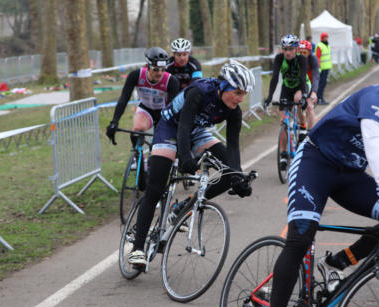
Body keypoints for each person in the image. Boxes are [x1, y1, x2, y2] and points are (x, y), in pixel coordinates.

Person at [267, 57, 379, 307]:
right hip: (315, 162)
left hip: (350, 174)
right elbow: (374, 141)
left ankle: (337, 263)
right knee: (301, 235)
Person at [127, 60, 255, 266]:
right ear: (223, 87)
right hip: (171, 126)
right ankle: (138, 248)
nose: (241, 98)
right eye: (237, 92)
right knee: (156, 186)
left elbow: (233, 147)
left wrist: (238, 176)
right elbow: (183, 126)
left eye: (244, 94)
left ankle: (182, 208)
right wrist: (185, 157)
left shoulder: (234, 111)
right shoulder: (199, 92)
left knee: (228, 174)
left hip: (197, 131)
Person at [106, 47, 179, 147]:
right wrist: (114, 122)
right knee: (136, 132)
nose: (160, 73)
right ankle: (138, 158)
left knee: (159, 144)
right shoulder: (136, 76)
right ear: (147, 66)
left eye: (163, 69)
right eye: (156, 69)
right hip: (145, 110)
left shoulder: (171, 81)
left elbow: (171, 107)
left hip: (163, 112)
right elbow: (124, 99)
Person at [263, 34, 310, 170]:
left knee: (298, 101)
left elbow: (302, 78)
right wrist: (269, 97)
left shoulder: (301, 59)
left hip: (300, 85)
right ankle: (283, 153)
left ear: (296, 49)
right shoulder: (279, 58)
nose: (287, 52)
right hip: (287, 88)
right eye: (285, 49)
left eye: (290, 49)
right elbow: (275, 78)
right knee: (284, 121)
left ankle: (302, 127)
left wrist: (303, 95)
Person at [297, 40, 319, 133]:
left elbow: (315, 76)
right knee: (297, 103)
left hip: (309, 84)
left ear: (309, 52)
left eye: (304, 53)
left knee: (309, 107)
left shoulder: (313, 59)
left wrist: (314, 91)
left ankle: (310, 133)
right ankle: (301, 125)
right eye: (300, 52)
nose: (302, 55)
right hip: (297, 84)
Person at [315, 32, 331, 105]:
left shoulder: (327, 45)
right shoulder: (320, 46)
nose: (326, 38)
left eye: (326, 37)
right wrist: (319, 68)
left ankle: (321, 98)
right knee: (321, 84)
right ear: (322, 38)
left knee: (324, 84)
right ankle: (319, 99)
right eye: (324, 37)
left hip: (327, 67)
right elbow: (318, 57)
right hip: (321, 69)